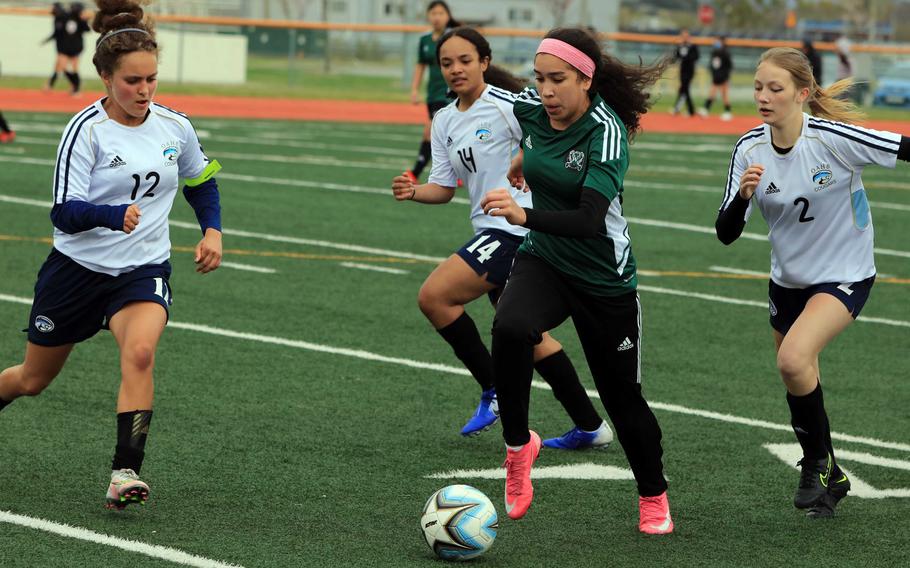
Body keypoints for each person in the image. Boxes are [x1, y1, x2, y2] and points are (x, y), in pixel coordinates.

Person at [0, 0, 224, 510]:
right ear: (104, 77)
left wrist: (212, 231)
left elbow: (201, 181)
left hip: (141, 269)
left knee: (140, 353)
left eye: (151, 80)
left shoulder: (175, 126)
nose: (144, 91)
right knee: (32, 380)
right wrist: (110, 214)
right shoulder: (86, 131)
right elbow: (63, 212)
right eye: (132, 81)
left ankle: (124, 473)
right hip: (76, 271)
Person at [479, 27, 673, 533]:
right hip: (545, 259)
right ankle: (519, 449)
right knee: (510, 326)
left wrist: (523, 215)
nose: (546, 90)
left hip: (604, 278)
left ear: (586, 80)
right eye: (540, 79)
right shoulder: (531, 107)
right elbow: (485, 88)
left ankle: (653, 494)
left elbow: (590, 219)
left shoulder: (604, 132)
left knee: (622, 399)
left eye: (558, 80)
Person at [391, 27, 612, 448]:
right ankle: (590, 425)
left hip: (515, 229)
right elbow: (444, 187)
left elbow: (560, 130)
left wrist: (526, 156)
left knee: (434, 296)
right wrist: (414, 191)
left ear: (485, 62)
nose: (455, 69)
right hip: (490, 229)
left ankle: (493, 389)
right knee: (529, 339)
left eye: (465, 60)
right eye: (447, 63)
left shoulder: (511, 104)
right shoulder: (444, 120)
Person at [715, 47, 909, 517]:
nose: (763, 96)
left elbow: (904, 148)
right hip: (788, 281)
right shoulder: (749, 149)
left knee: (793, 359)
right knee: (801, 376)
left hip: (845, 274)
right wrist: (742, 198)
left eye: (775, 88)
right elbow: (725, 233)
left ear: (802, 94)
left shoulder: (832, 139)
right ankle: (834, 475)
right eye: (758, 86)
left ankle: (815, 461)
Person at [405, 1, 458, 184]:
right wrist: (414, 90)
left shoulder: (453, 39)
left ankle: (415, 173)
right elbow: (420, 66)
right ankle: (457, 172)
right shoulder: (424, 41)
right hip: (432, 95)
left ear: (448, 16)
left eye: (441, 13)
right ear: (428, 16)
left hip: (449, 94)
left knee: (431, 132)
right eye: (433, 13)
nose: (437, 17)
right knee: (446, 133)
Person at [43, 2, 91, 95]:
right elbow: (57, 32)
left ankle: (76, 87)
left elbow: (87, 29)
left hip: (74, 47)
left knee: (72, 68)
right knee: (63, 67)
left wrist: (84, 20)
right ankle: (75, 85)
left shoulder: (77, 19)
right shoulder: (63, 17)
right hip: (65, 48)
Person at [698, 36, 733, 121]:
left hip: (723, 77)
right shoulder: (714, 53)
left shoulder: (725, 53)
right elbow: (712, 65)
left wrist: (725, 76)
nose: (716, 43)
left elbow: (729, 66)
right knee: (711, 94)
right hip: (716, 77)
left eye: (718, 42)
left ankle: (728, 112)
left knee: (724, 95)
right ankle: (705, 110)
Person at [671, 28, 699, 117]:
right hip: (682, 70)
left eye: (686, 35)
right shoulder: (680, 46)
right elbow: (676, 57)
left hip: (690, 70)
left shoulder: (693, 46)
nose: (684, 37)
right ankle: (677, 108)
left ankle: (690, 110)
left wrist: (686, 57)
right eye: (683, 35)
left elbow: (696, 57)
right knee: (683, 89)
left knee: (685, 89)